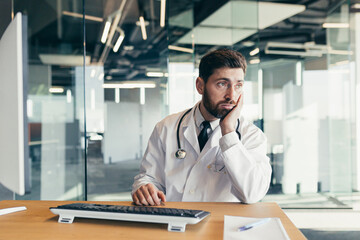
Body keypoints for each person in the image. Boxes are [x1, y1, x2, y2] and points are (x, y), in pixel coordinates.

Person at [132, 49, 272, 206]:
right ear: (200, 86)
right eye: (222, 84)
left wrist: (228, 133)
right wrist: (144, 188)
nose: (231, 95)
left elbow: (252, 194)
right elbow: (148, 178)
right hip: (175, 223)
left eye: (238, 85)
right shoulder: (166, 127)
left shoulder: (251, 135)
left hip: (222, 225)